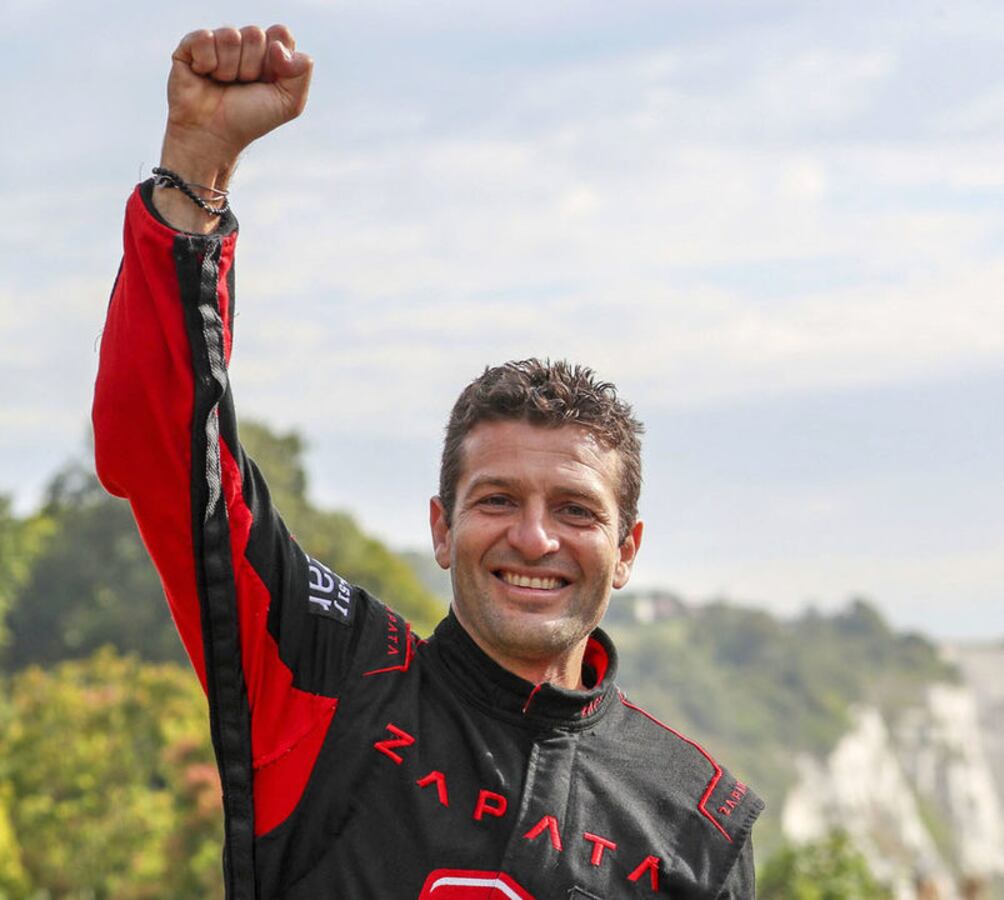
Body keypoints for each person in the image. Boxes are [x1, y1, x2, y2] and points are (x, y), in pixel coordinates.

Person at [93, 25, 762, 899]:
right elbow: (164, 447)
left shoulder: (697, 818)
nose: (533, 537)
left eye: (575, 509)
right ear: (441, 528)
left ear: (628, 548)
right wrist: (198, 163)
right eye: (495, 500)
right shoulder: (332, 676)